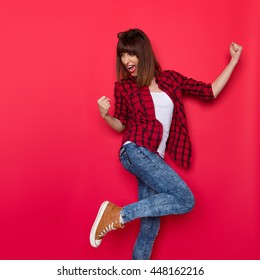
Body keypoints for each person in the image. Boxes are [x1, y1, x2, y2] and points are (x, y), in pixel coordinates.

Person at [89, 28, 242, 259]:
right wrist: (105, 115)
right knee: (185, 199)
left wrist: (234, 61)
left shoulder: (171, 79)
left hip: (152, 156)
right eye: (122, 55)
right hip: (135, 150)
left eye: (130, 54)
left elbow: (209, 91)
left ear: (143, 52)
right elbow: (121, 124)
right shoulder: (124, 87)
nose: (125, 60)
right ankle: (118, 215)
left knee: (150, 228)